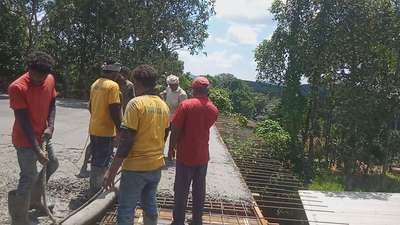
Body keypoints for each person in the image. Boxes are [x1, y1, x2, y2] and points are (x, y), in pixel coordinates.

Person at [103, 64, 170, 225]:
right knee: (149, 204)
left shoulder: (135, 104)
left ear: (137, 82)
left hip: (135, 168)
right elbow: (165, 134)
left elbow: (126, 142)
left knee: (126, 209)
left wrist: (111, 172)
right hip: (155, 166)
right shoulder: (163, 105)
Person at [7, 51, 59, 225]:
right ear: (28, 69)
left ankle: (35, 200)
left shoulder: (50, 79)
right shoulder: (17, 87)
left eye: (41, 79)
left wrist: (50, 126)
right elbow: (23, 122)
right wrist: (37, 151)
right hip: (24, 139)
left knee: (52, 163)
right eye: (35, 78)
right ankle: (19, 218)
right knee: (28, 176)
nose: (39, 82)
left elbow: (52, 103)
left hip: (43, 135)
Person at [169, 77, 218, 225]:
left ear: (193, 89)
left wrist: (171, 148)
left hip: (185, 155)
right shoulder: (213, 109)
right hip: (202, 156)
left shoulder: (186, 105)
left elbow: (175, 129)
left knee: (181, 191)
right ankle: (197, 220)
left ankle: (178, 221)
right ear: (207, 90)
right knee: (199, 190)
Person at [88, 60, 122, 193]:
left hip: (94, 128)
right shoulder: (113, 86)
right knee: (103, 160)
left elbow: (90, 106)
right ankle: (96, 189)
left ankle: (95, 186)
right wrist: (120, 128)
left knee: (96, 158)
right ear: (115, 73)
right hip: (106, 131)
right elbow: (114, 108)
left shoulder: (95, 84)